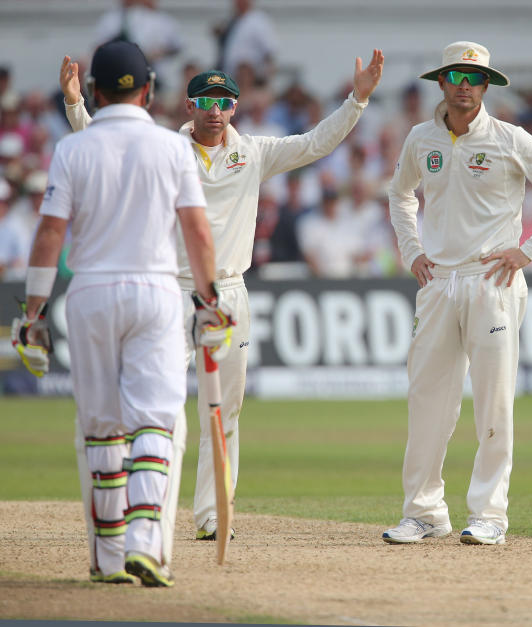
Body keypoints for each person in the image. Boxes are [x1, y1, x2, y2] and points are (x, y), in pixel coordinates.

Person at [60, 48, 385, 541]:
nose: (216, 109)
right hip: (171, 292)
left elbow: (316, 143)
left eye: (224, 101)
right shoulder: (165, 148)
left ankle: (212, 512)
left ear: (235, 108)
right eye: (206, 100)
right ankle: (149, 505)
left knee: (223, 411)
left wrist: (357, 99)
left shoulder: (253, 152)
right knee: (156, 405)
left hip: (229, 294)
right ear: (189, 107)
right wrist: (75, 105)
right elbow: (106, 148)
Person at [10, 40, 230, 587]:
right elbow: (197, 231)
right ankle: (144, 545)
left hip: (90, 293)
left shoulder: (73, 149)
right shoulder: (171, 148)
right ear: (150, 91)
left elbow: (50, 233)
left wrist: (33, 311)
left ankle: (109, 557)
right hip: (156, 291)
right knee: (155, 421)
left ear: (94, 91)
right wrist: (209, 302)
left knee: (103, 427)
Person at [384, 41, 532, 546]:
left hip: (492, 283)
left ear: (487, 85)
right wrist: (411, 250)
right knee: (428, 401)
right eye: (456, 76)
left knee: (493, 403)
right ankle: (424, 512)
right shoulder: (420, 138)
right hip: (437, 284)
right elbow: (399, 193)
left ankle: (490, 514)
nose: (465, 86)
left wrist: (528, 250)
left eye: (474, 78)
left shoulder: (510, 139)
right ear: (442, 82)